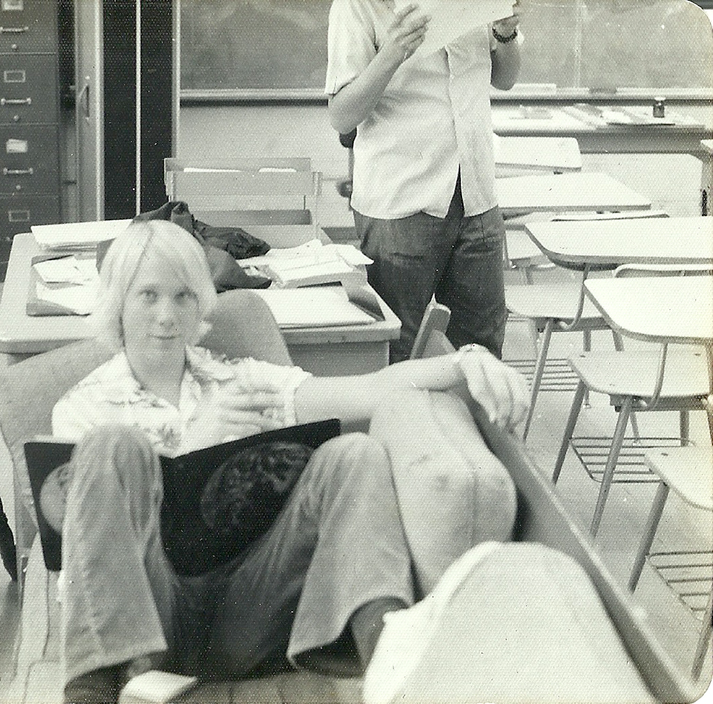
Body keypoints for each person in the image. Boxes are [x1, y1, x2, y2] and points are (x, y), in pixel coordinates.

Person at [47, 220, 529, 703]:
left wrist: (466, 360)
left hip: (249, 614)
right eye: (148, 296)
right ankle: (91, 694)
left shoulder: (236, 380)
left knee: (353, 454)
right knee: (112, 446)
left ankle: (386, 661)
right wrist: (190, 448)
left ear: (200, 304)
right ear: (118, 305)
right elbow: (81, 568)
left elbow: (365, 390)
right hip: (149, 631)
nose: (167, 316)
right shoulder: (82, 409)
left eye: (183, 296)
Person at [326, 1, 523, 363]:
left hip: (475, 194)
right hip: (401, 201)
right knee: (399, 349)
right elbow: (342, 115)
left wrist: (505, 32)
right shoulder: (358, 5)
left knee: (482, 351)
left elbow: (505, 79)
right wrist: (392, 53)